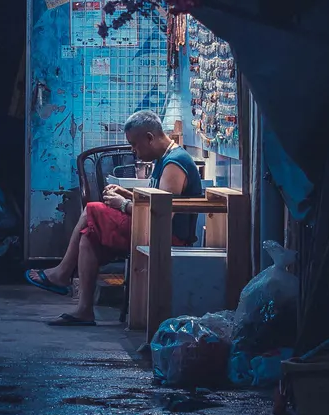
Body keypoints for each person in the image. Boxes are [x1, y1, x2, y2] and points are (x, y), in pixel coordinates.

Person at [25, 109, 204, 325]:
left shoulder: (175, 163)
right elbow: (156, 200)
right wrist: (126, 193)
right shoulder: (164, 158)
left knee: (92, 209)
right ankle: (84, 310)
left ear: (149, 138)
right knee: (88, 237)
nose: (133, 151)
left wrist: (125, 204)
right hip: (152, 228)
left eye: (135, 145)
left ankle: (62, 273)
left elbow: (163, 215)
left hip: (168, 237)